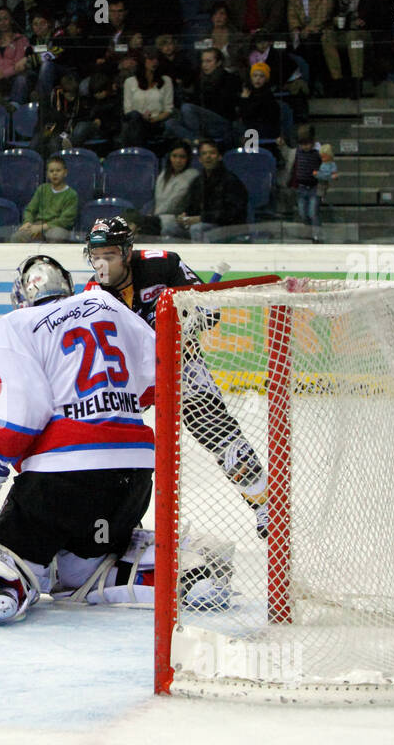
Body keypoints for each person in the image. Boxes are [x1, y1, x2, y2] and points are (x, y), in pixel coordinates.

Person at [0, 255, 227, 625]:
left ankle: (4, 581)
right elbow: (157, 379)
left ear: (20, 296)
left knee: (5, 555)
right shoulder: (106, 304)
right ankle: (154, 570)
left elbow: (15, 424)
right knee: (81, 564)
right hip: (133, 480)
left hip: (61, 485)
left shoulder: (15, 325)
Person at [82, 217, 268, 537]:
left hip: (182, 365)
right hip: (133, 378)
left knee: (219, 434)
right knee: (107, 442)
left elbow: (209, 308)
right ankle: (119, 519)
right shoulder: (93, 293)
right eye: (95, 256)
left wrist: (194, 318)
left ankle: (265, 504)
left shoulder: (164, 265)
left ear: (127, 252)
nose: (102, 264)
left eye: (109, 255)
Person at [171, 139, 249, 240]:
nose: (208, 157)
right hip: (204, 223)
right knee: (171, 228)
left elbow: (231, 214)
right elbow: (191, 206)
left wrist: (201, 218)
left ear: (219, 156)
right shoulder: (198, 181)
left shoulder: (231, 181)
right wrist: (184, 215)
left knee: (197, 229)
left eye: (212, 153)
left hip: (227, 226)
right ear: (200, 159)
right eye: (204, 154)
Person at [11, 155, 77, 242]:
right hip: (37, 225)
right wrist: (28, 222)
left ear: (65, 172)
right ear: (47, 174)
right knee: (17, 237)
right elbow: (30, 210)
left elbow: (66, 220)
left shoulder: (71, 194)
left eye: (58, 170)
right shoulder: (42, 189)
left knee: (56, 235)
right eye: (51, 171)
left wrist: (42, 227)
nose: (54, 173)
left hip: (58, 228)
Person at [152, 140, 200, 235]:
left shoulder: (192, 175)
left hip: (177, 219)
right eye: (174, 156)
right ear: (169, 157)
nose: (178, 160)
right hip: (158, 217)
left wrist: (154, 217)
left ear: (188, 158)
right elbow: (157, 200)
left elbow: (175, 203)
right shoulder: (164, 174)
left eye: (182, 157)